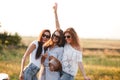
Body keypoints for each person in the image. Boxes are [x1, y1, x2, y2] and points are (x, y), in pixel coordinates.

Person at [53, 3, 90, 80]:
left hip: (69, 75)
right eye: (65, 36)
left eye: (68, 36)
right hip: (60, 71)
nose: (66, 38)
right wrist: (55, 12)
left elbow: (80, 62)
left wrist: (84, 76)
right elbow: (58, 28)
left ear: (73, 36)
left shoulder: (77, 48)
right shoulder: (66, 43)